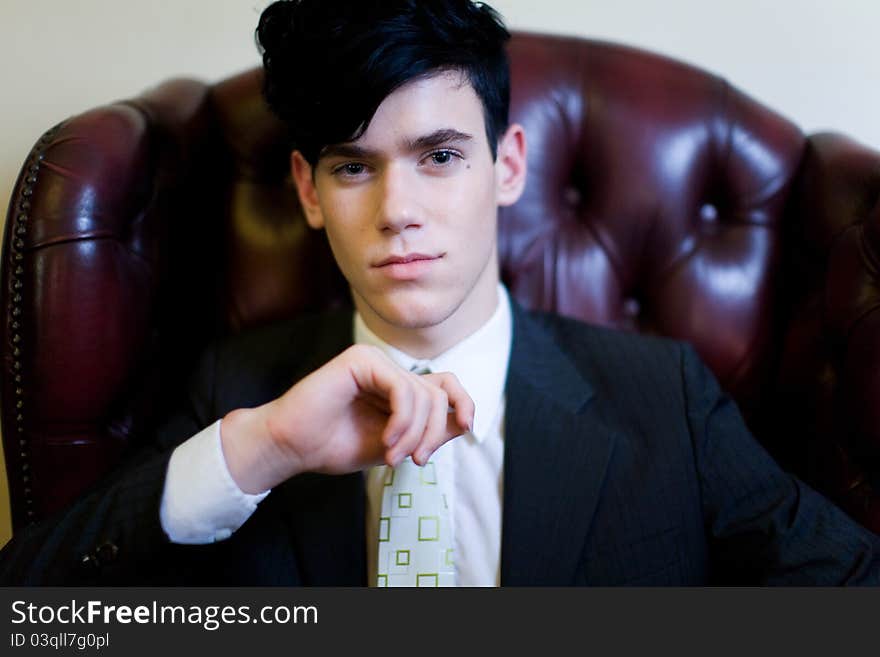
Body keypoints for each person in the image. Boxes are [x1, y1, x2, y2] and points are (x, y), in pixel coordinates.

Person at [1, 0, 879, 586]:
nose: (398, 212)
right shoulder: (234, 390)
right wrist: (257, 451)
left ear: (507, 165)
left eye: (441, 155)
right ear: (308, 191)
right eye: (354, 167)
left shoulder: (665, 395)